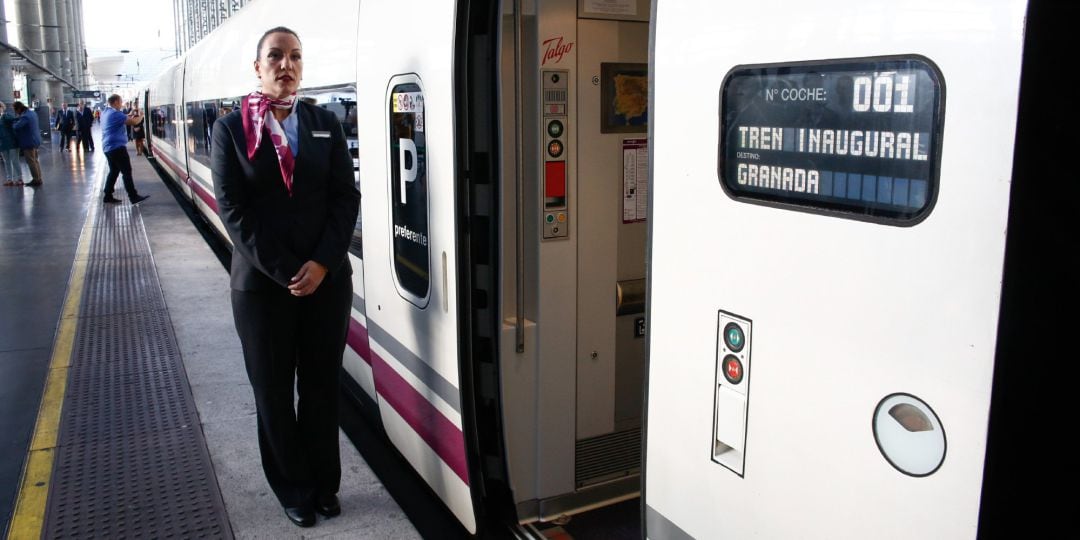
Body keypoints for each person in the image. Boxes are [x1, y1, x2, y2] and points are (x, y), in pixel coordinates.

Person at [211, 26, 358, 529]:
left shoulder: (324, 122)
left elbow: (345, 197)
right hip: (263, 288)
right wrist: (287, 271)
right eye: (275, 56)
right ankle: (292, 486)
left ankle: (323, 484)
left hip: (327, 282)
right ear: (258, 67)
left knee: (320, 386)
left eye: (295, 56)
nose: (286, 64)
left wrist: (322, 264)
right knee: (273, 391)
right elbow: (233, 210)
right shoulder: (230, 129)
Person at [101, 94, 148, 204]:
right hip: (117, 148)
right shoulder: (115, 114)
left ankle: (107, 195)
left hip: (108, 147)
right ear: (116, 102)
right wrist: (142, 115)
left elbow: (123, 117)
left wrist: (129, 114)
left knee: (113, 171)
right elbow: (134, 122)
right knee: (126, 172)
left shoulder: (105, 112)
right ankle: (133, 196)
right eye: (121, 101)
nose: (121, 104)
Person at [11, 102, 43, 187]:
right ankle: (39, 178)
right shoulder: (32, 113)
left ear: (18, 109)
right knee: (35, 160)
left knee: (31, 161)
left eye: (15, 110)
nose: (15, 112)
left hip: (28, 142)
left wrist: (13, 122)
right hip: (35, 140)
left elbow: (16, 126)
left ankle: (36, 180)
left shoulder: (25, 116)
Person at [1, 103, 23, 186]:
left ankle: (19, 178)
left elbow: (16, 120)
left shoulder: (6, 116)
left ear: (2, 108)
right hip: (2, 144)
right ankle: (9, 179)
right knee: (6, 162)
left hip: (12, 142)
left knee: (14, 161)